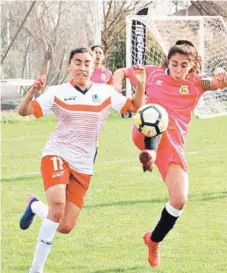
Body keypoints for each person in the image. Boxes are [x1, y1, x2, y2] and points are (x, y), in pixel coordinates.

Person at [17, 46, 145, 273]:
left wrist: (140, 85)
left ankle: (34, 205)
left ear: (93, 67)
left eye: (87, 63)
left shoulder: (105, 92)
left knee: (64, 226)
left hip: (84, 164)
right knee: (57, 208)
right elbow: (23, 111)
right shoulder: (57, 91)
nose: (82, 67)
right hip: (56, 153)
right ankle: (35, 269)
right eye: (77, 62)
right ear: (69, 66)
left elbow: (135, 107)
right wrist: (32, 92)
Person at [113, 40, 227, 268]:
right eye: (174, 64)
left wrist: (221, 75)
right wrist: (117, 88)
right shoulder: (153, 73)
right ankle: (150, 152)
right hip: (143, 131)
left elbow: (223, 83)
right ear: (168, 61)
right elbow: (119, 71)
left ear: (192, 65)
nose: (178, 69)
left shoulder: (198, 83)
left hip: (173, 145)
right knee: (155, 114)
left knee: (179, 200)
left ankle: (154, 241)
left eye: (183, 65)